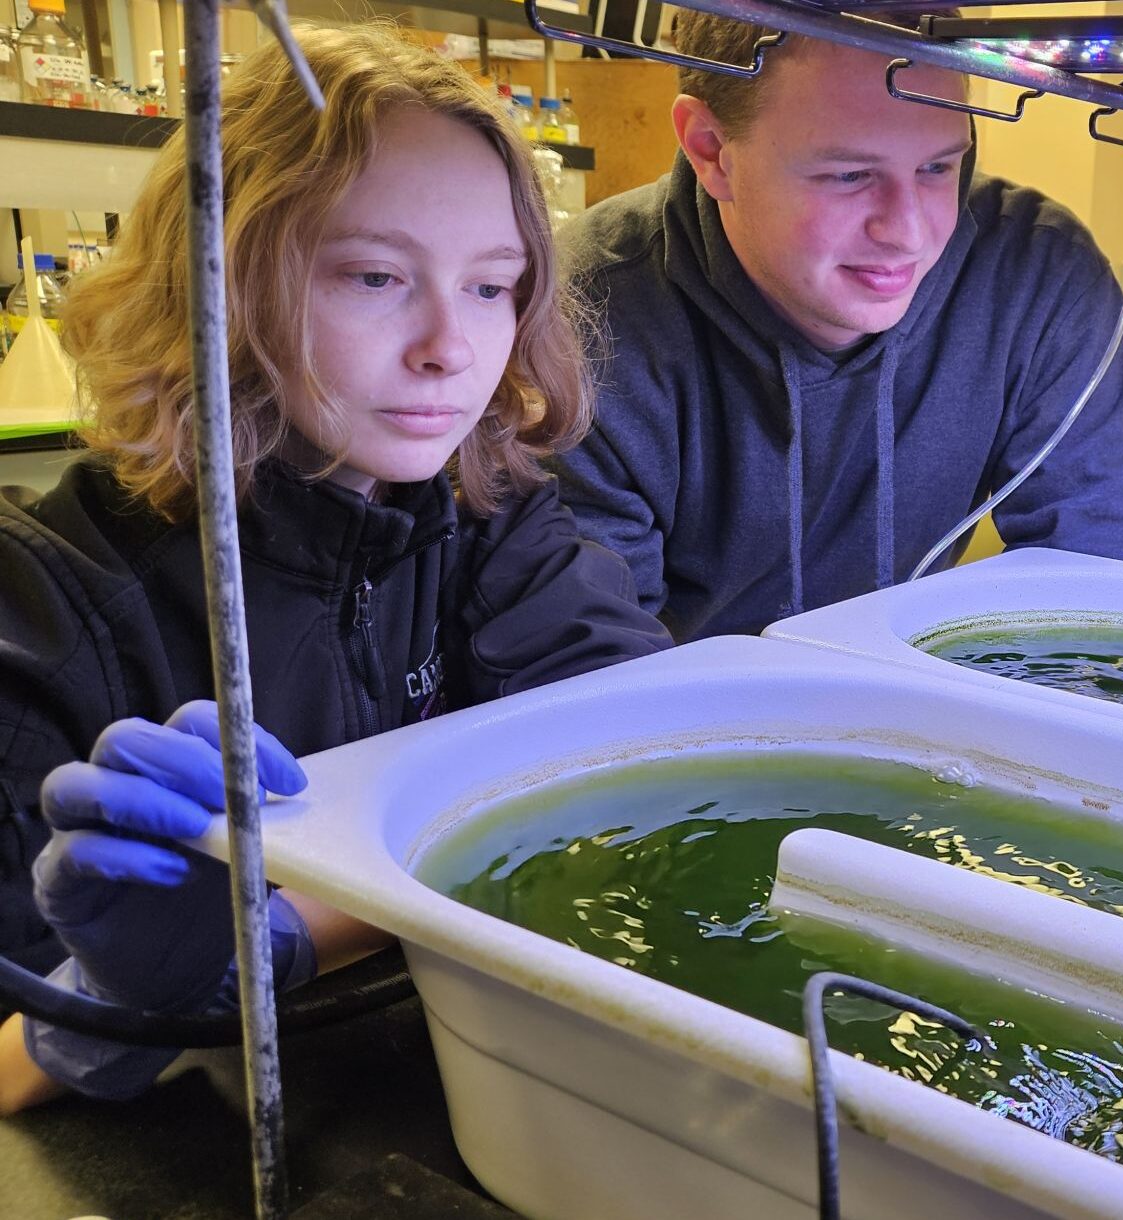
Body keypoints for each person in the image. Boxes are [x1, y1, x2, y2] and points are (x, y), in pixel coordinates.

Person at [0, 24, 670, 1113]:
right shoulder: (48, 598)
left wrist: (284, 935)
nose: (451, 347)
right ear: (215, 280)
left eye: (493, 286)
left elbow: (639, 756)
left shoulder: (487, 518)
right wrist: (102, 1010)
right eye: (374, 275)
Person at [553, 9, 1123, 641]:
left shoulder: (1038, 276)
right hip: (686, 718)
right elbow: (595, 667)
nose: (909, 235)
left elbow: (1089, 598)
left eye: (938, 168)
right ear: (711, 150)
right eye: (848, 175)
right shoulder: (588, 309)